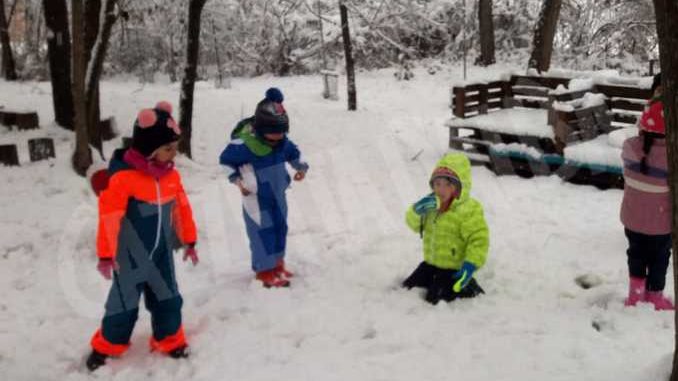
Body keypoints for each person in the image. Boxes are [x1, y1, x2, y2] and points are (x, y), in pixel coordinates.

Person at [86, 102, 199, 371]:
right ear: (149, 150)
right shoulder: (125, 179)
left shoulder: (170, 176)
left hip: (160, 254)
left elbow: (182, 209)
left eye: (175, 147)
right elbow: (109, 217)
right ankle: (109, 345)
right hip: (129, 256)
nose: (174, 154)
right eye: (168, 148)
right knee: (123, 303)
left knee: (168, 297)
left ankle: (169, 339)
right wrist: (105, 254)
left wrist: (189, 240)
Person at [219, 88, 309, 288]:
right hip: (256, 198)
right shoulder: (243, 145)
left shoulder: (282, 142)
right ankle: (264, 271)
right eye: (273, 134)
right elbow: (225, 162)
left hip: (278, 195)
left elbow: (295, 153)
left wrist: (300, 167)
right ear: (260, 128)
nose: (278, 138)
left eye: (281, 133)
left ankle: (277, 265)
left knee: (280, 229)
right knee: (262, 232)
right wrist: (237, 180)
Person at [402, 152, 489, 305]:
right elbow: (413, 224)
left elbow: (479, 239)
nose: (441, 189)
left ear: (459, 187)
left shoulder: (468, 209)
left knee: (434, 299)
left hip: (453, 269)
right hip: (431, 264)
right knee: (407, 288)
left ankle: (469, 286)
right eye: (437, 184)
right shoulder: (430, 205)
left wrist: (470, 264)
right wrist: (417, 210)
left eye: (448, 184)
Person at [621, 73, 673, 311]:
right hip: (660, 224)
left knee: (636, 255)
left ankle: (635, 294)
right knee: (660, 259)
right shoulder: (670, 159)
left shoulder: (629, 148)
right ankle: (654, 296)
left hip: (632, 220)